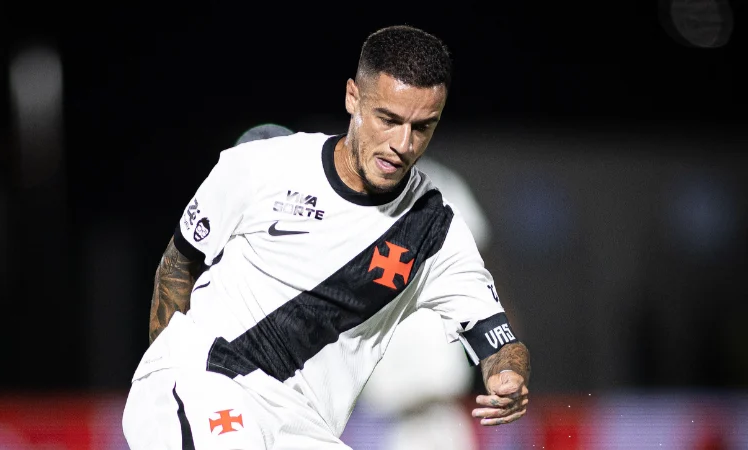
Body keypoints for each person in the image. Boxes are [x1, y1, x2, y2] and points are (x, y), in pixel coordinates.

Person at [122, 24, 531, 450]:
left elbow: (497, 338)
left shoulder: (436, 231)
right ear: (353, 97)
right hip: (210, 380)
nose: (403, 144)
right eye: (388, 120)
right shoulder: (261, 165)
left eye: (422, 127)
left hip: (302, 427)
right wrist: (167, 369)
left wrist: (507, 373)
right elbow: (179, 262)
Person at [232, 123, 491, 450]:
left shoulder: (441, 187)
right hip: (388, 422)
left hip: (437, 416)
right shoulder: (349, 194)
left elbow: (476, 271)